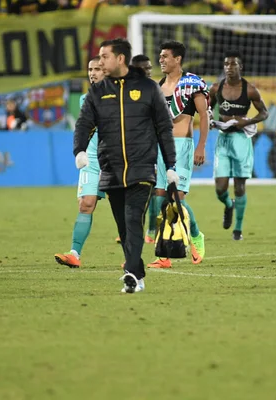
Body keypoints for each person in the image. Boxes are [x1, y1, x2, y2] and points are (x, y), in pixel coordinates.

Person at [74, 38, 177, 294]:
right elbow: (83, 124)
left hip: (142, 167)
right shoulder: (96, 92)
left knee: (133, 220)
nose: (99, 62)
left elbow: (164, 127)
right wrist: (79, 150)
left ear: (120, 59)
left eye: (104, 56)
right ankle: (138, 273)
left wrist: (171, 164)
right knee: (122, 224)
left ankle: (130, 273)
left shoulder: (148, 88)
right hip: (111, 169)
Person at [147, 40, 209, 269]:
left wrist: (201, 146)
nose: (161, 60)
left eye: (165, 56)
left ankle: (196, 236)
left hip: (182, 146)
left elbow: (204, 116)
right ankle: (164, 255)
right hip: (161, 147)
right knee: (162, 200)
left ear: (178, 59)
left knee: (177, 199)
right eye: (160, 56)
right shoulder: (158, 86)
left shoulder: (192, 84)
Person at [209, 50, 268, 241]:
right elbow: (207, 110)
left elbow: (264, 113)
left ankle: (238, 229)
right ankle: (228, 204)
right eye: (226, 64)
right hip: (223, 140)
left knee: (240, 186)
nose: (229, 68)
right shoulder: (216, 88)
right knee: (220, 188)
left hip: (241, 140)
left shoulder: (250, 90)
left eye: (233, 64)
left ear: (240, 67)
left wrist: (247, 122)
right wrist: (215, 119)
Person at [54, 56, 106, 268]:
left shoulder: (121, 98)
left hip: (116, 160)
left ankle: (131, 256)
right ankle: (74, 253)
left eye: (97, 69)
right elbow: (83, 128)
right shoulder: (84, 99)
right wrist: (81, 151)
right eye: (90, 69)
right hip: (93, 160)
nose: (92, 73)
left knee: (124, 209)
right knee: (86, 204)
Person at [130, 54, 157, 243]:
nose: (147, 72)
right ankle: (133, 230)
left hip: (152, 148)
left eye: (149, 68)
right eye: (143, 68)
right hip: (130, 149)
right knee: (132, 192)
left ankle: (152, 230)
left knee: (155, 190)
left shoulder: (157, 90)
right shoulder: (125, 91)